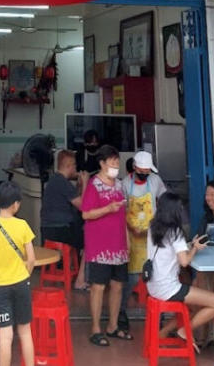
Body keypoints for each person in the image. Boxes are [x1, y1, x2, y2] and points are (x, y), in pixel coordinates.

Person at [146, 191, 214, 347]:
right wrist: (194, 248)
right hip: (169, 288)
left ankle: (163, 332)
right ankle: (184, 331)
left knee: (194, 306)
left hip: (153, 286)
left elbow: (168, 252)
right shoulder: (175, 232)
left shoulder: (153, 227)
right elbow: (184, 262)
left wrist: (188, 246)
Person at [0, 180, 37, 366]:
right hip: (21, 283)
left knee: (5, 335)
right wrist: (25, 273)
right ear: (15, 204)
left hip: (0, 287)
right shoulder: (23, 226)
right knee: (25, 332)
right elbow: (32, 259)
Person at [81, 144, 130, 345]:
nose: (116, 165)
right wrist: (108, 208)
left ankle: (112, 326)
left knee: (118, 286)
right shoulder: (94, 184)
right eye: (112, 161)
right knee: (98, 287)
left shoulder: (120, 185)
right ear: (102, 163)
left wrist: (127, 241)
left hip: (119, 245)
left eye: (117, 161)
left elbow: (124, 215)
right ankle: (95, 328)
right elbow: (86, 213)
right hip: (100, 247)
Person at [118, 150, 167, 330]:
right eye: (142, 171)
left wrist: (157, 223)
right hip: (132, 237)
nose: (145, 174)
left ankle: (158, 316)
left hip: (151, 236)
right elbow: (121, 210)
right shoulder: (125, 184)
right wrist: (131, 228)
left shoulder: (155, 181)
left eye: (147, 171)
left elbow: (164, 201)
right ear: (135, 168)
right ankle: (121, 312)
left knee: (155, 275)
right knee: (130, 278)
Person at [40, 149, 87, 289]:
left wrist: (78, 186)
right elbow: (83, 206)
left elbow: (74, 198)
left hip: (48, 230)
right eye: (74, 166)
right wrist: (85, 183)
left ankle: (75, 271)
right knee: (91, 240)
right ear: (68, 166)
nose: (76, 169)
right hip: (60, 230)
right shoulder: (63, 183)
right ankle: (80, 280)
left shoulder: (55, 180)